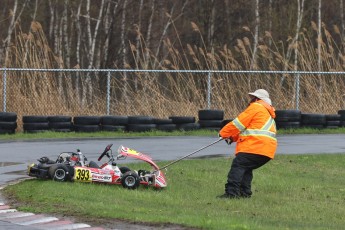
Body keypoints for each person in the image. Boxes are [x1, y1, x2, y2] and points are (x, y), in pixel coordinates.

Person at [217, 89, 277, 199]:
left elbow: (238, 123)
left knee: (238, 166)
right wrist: (232, 137)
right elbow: (247, 129)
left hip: (255, 147)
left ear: (258, 99)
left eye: (253, 98)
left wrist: (223, 133)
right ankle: (245, 193)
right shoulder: (267, 113)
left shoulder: (256, 107)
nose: (250, 100)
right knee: (246, 168)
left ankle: (231, 193)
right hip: (266, 150)